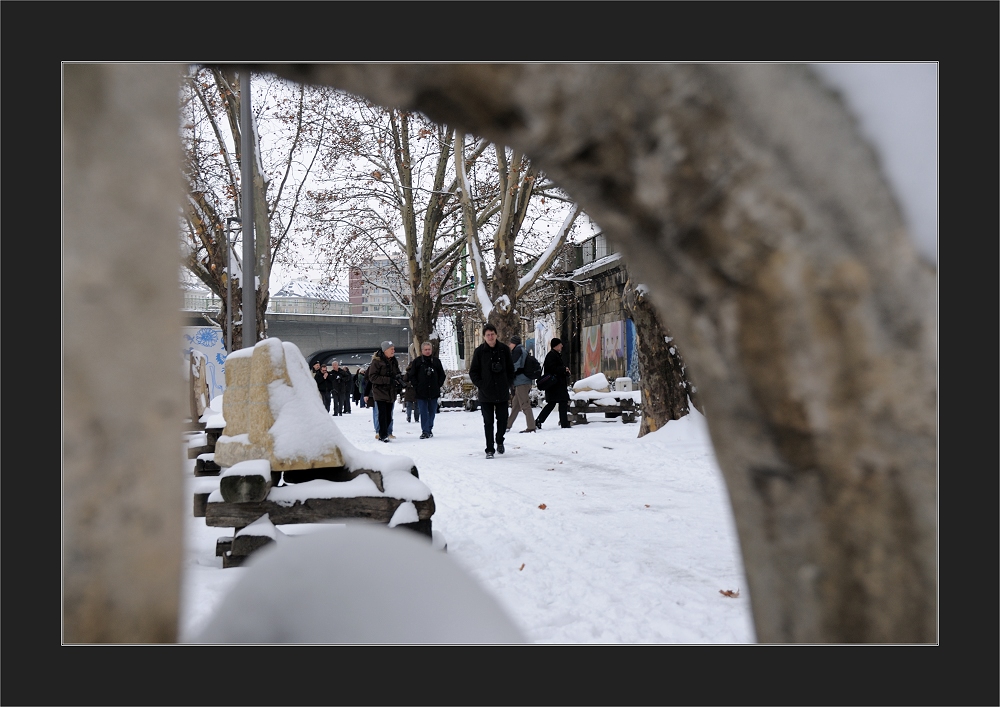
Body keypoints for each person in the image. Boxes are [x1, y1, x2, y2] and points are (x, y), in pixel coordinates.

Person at [469, 323, 515, 459]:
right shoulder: (479, 352)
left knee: (502, 420)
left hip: (501, 391)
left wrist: (507, 382)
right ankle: (489, 448)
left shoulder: (504, 350)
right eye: (488, 335)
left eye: (492, 334)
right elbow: (473, 372)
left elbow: (511, 370)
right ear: (484, 336)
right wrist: (481, 384)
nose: (490, 337)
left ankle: (499, 439)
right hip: (485, 393)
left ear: (496, 335)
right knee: (488, 422)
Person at [407, 340, 446, 439]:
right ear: (422, 350)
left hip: (433, 391)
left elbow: (442, 375)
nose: (428, 351)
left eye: (429, 349)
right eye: (426, 350)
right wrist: (417, 386)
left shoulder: (436, 361)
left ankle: (429, 428)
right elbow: (412, 375)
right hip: (421, 392)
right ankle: (425, 431)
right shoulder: (417, 362)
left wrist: (438, 385)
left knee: (432, 411)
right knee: (423, 411)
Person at [367, 341, 401, 443]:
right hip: (380, 392)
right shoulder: (376, 362)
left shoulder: (394, 361)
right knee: (382, 414)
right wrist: (388, 380)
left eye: (393, 349)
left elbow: (397, 372)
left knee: (388, 415)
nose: (393, 351)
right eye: (391, 349)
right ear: (385, 350)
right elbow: (372, 377)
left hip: (391, 392)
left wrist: (399, 378)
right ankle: (383, 434)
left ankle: (385, 432)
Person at [534, 337, 572, 430]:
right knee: (556, 403)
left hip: (557, 385)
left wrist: (565, 371)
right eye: (560, 344)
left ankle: (540, 421)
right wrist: (564, 369)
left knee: (556, 403)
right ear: (556, 345)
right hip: (555, 386)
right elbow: (552, 369)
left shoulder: (555, 355)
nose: (562, 346)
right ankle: (563, 423)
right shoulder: (551, 356)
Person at [505, 335, 537, 434]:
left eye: (510, 343)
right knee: (515, 405)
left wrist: (507, 372)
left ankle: (531, 426)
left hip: (521, 382)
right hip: (523, 381)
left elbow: (515, 365)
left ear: (514, 343)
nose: (509, 345)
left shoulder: (517, 351)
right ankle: (507, 425)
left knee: (525, 404)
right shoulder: (523, 350)